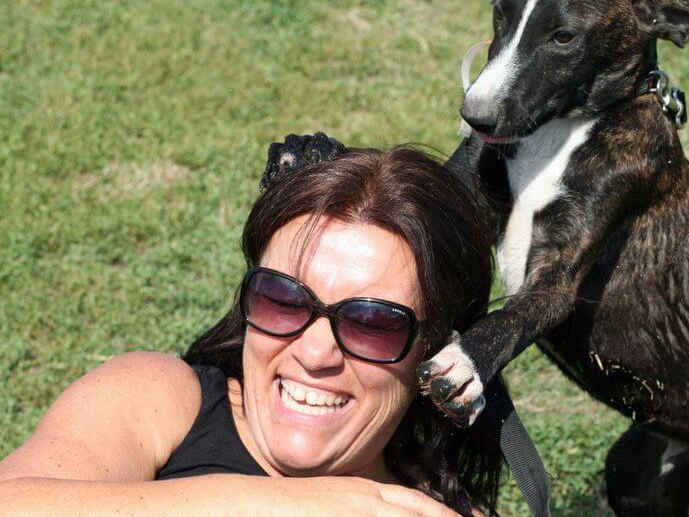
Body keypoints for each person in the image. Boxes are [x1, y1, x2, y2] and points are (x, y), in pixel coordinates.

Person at [0, 146, 503, 516]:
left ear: (437, 351)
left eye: (371, 324)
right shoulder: (162, 402)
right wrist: (288, 505)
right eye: (283, 298)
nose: (315, 353)